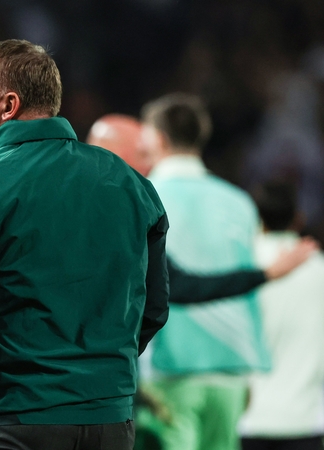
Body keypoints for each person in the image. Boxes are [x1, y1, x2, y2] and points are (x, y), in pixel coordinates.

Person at [0, 39, 170, 450]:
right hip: (110, 420)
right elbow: (154, 307)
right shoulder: (134, 185)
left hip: (14, 418)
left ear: (8, 106)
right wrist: (98, 374)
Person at [139, 93, 270, 450]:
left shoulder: (146, 196)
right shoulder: (239, 202)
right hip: (232, 364)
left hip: (170, 366)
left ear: (156, 139)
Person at [87, 114, 318, 304]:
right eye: (143, 154)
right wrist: (266, 274)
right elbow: (178, 287)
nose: (151, 163)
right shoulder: (141, 205)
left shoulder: (69, 202)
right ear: (113, 155)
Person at [238, 182, 324, 450]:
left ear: (257, 220)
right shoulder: (318, 268)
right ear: (298, 220)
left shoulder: (241, 266)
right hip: (306, 418)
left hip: (249, 418)